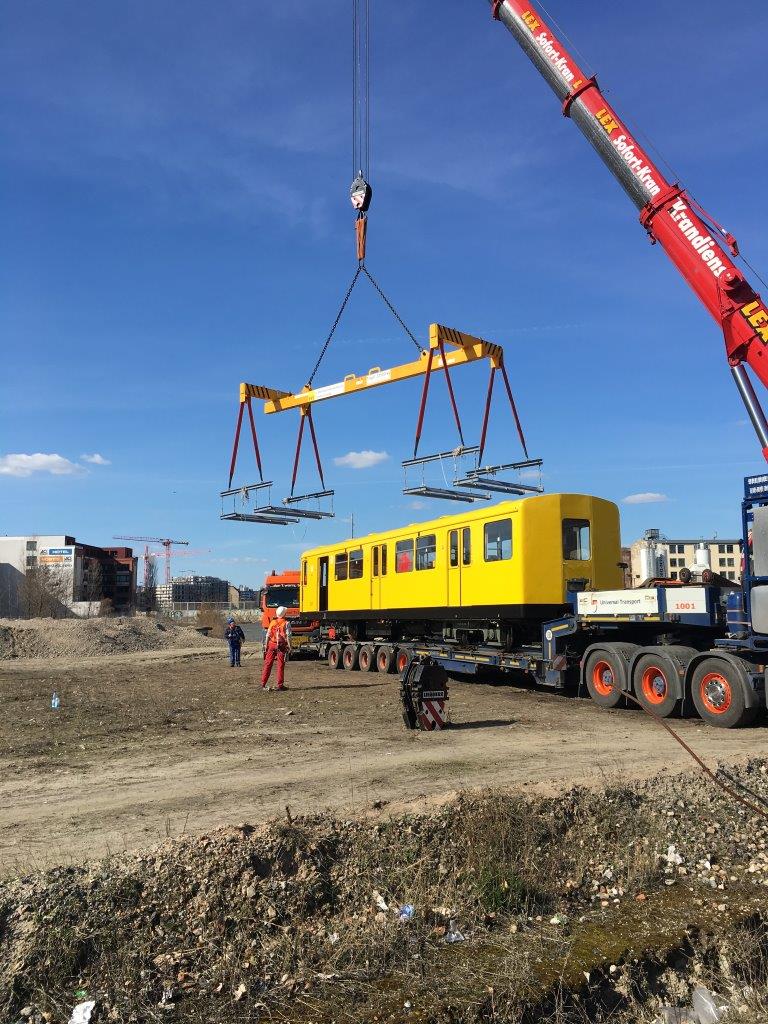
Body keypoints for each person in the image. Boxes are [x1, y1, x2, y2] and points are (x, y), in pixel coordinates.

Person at [261, 605, 290, 691]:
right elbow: (288, 636)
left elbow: (268, 635)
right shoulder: (286, 623)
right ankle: (280, 685)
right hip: (281, 645)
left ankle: (263, 683)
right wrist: (290, 646)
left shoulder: (272, 622)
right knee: (280, 665)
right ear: (284, 614)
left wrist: (266, 646)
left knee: (268, 664)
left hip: (271, 645)